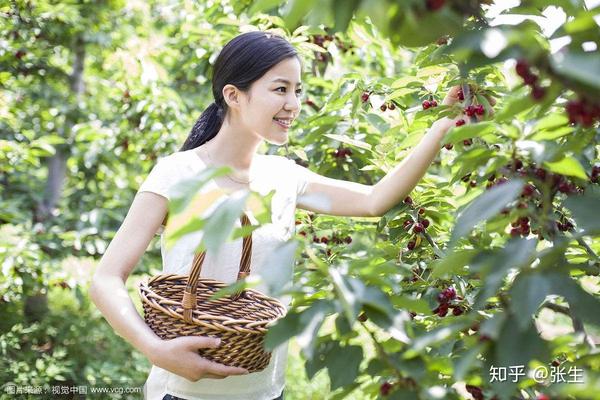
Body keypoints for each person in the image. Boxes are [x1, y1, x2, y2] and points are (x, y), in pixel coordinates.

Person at [89, 30, 471, 400]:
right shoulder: (177, 174)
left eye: (297, 90)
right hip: (183, 392)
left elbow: (374, 200)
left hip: (266, 391)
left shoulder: (284, 176)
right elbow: (106, 278)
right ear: (234, 95)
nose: (293, 104)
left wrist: (441, 126)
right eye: (280, 89)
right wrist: (155, 350)